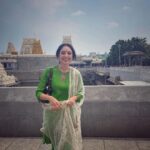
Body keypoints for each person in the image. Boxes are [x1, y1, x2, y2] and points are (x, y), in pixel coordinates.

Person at [35, 43, 85, 150]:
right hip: (53, 115)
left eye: (69, 53)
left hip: (70, 116)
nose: (66, 55)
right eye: (63, 53)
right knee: (56, 144)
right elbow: (38, 93)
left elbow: (81, 92)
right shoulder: (49, 72)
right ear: (58, 55)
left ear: (72, 56)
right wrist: (50, 98)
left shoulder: (76, 74)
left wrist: (73, 98)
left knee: (69, 145)